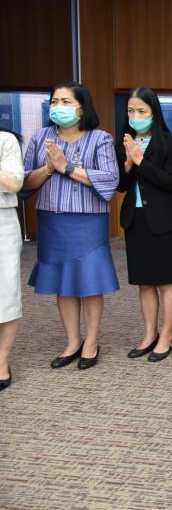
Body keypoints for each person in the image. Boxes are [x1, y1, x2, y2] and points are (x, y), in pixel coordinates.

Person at [20, 82, 119, 370]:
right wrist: (48, 169)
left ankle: (91, 341)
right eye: (54, 101)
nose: (58, 107)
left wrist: (67, 168)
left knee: (89, 281)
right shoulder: (41, 137)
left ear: (81, 108)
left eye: (65, 102)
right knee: (63, 283)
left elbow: (110, 180)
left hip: (88, 221)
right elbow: (24, 182)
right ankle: (73, 341)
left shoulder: (100, 138)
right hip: (52, 220)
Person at [116, 87, 172, 363]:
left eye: (141, 111)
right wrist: (127, 165)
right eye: (131, 111)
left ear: (154, 113)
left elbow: (170, 182)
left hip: (163, 221)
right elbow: (121, 186)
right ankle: (149, 334)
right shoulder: (124, 141)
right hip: (135, 220)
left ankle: (166, 336)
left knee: (165, 282)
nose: (135, 116)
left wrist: (141, 161)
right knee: (144, 283)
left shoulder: (171, 143)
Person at [0, 127, 24, 390]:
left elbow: (15, 183)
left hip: (2, 223)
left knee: (5, 295)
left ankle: (2, 361)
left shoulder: (5, 140)